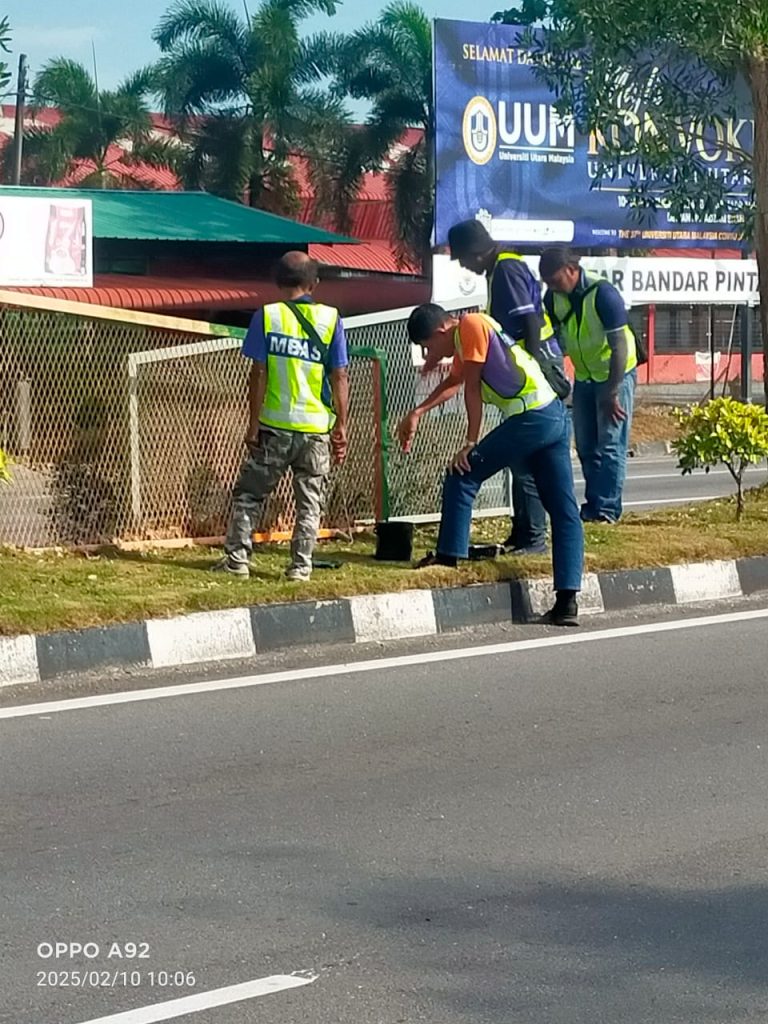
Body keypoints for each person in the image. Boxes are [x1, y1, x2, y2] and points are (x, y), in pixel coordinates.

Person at [399, 304, 584, 626]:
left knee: (462, 474)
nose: (432, 354)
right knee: (564, 511)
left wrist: (470, 444)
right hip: (551, 413)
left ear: (441, 330)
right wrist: (417, 411)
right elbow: (455, 382)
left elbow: (471, 387)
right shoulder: (465, 338)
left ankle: (448, 557)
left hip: (531, 418)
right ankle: (567, 602)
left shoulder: (471, 325)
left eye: (428, 346)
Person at [213, 252, 349, 580]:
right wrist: (342, 425)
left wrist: (252, 423)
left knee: (249, 495)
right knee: (309, 502)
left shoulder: (267, 317)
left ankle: (238, 561)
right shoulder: (331, 319)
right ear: (314, 284)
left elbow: (257, 373)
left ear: (277, 281)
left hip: (274, 427)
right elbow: (340, 375)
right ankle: (300, 567)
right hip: (316, 429)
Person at [447, 219, 570, 554]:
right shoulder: (500, 269)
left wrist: (530, 368)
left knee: (527, 462)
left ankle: (532, 537)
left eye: (461, 258)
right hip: (531, 373)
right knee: (521, 461)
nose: (463, 266)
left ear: (475, 251)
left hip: (536, 371)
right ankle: (524, 533)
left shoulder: (506, 269)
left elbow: (530, 321)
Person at [540, 247, 637, 523]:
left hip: (615, 375)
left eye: (556, 280)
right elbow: (551, 338)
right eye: (548, 283)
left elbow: (619, 346)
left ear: (572, 270)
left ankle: (607, 510)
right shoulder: (554, 297)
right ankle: (593, 506)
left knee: (610, 445)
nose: (553, 287)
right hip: (584, 377)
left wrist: (613, 391)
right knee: (586, 445)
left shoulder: (603, 293)